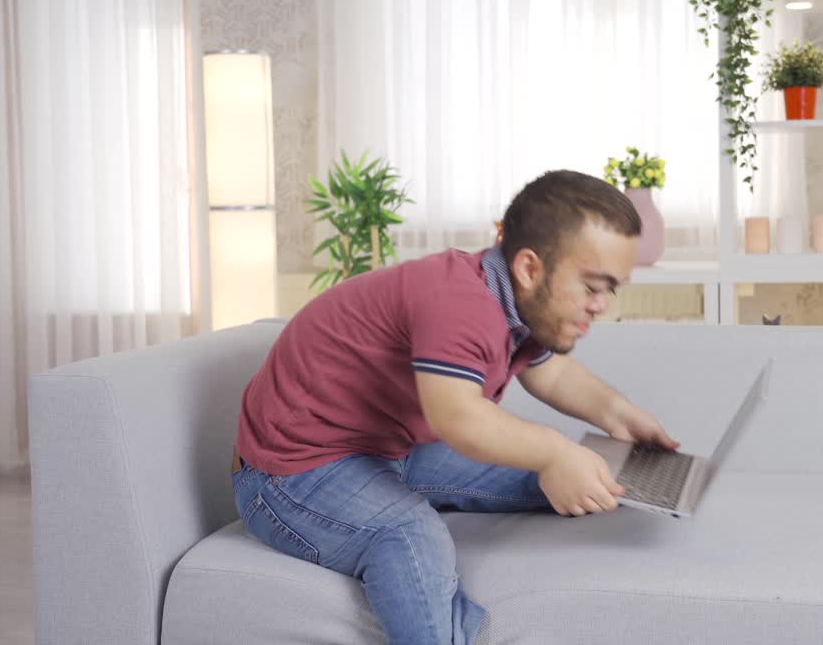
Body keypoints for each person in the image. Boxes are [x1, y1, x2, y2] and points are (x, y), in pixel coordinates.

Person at [231, 169, 681, 644]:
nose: (602, 305)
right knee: (410, 534)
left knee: (572, 475)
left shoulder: (516, 302)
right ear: (530, 268)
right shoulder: (457, 301)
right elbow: (458, 417)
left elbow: (553, 373)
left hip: (386, 449)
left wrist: (618, 415)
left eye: (611, 289)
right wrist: (553, 452)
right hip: (290, 476)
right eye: (592, 286)